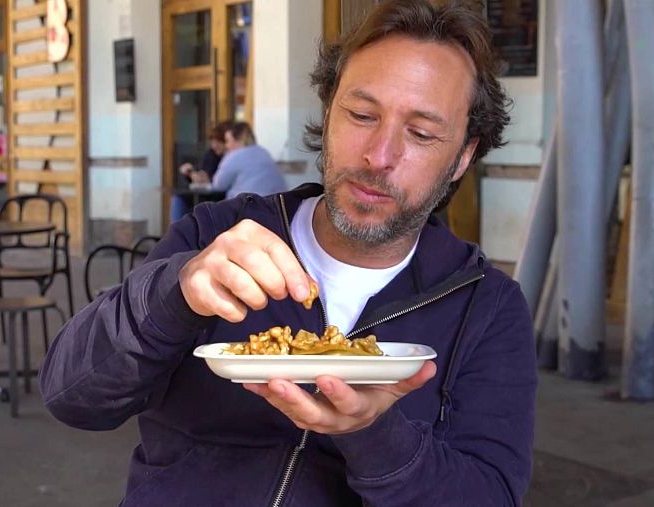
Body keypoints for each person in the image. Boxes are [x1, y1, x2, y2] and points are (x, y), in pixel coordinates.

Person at [40, 1, 536, 505]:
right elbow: (71, 398)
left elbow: (489, 494)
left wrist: (374, 434)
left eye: (422, 133)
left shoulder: (486, 308)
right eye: (362, 115)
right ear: (328, 113)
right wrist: (173, 295)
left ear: (463, 157)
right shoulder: (216, 235)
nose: (379, 156)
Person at [170, 120, 233, 221]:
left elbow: (223, 181)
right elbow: (202, 172)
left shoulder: (233, 158)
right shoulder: (211, 154)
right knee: (179, 198)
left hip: (221, 197)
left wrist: (209, 179)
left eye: (218, 142)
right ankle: (176, 235)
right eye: (212, 142)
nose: (214, 145)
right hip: (205, 195)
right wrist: (191, 174)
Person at [210, 121, 288, 199]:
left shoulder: (234, 156)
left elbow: (218, 185)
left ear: (236, 141)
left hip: (248, 205)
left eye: (227, 141)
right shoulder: (263, 152)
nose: (226, 145)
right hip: (275, 204)